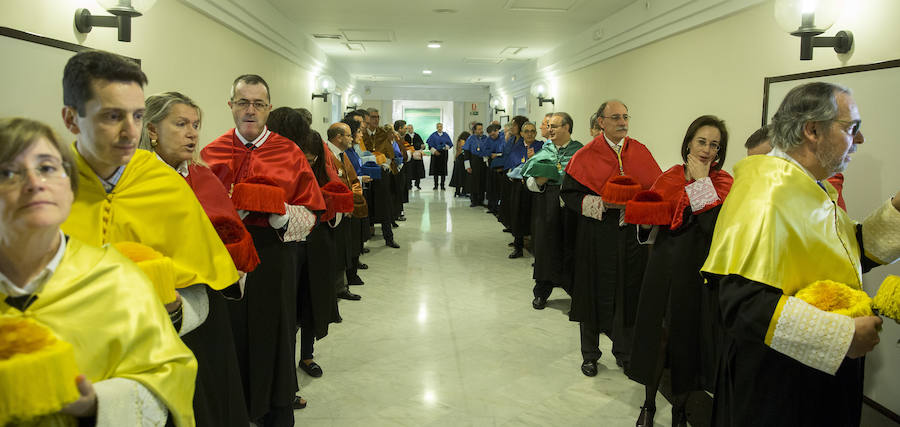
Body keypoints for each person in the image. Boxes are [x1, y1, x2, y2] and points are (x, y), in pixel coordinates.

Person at [701, 82, 900, 427]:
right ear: (812, 130)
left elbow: (841, 251)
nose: (861, 140)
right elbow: (742, 304)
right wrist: (842, 336)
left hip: (809, 380)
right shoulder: (765, 194)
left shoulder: (807, 184)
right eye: (852, 128)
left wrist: (897, 209)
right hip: (779, 389)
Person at [0, 117, 197, 426]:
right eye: (8, 172)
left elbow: (169, 378)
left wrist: (96, 403)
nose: (34, 183)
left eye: (48, 168)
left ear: (71, 188)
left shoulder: (118, 278)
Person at [201, 74, 324, 426]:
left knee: (275, 337)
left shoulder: (289, 153)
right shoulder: (212, 152)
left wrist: (279, 215)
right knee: (230, 336)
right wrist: (227, 213)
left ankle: (275, 410)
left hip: (275, 256)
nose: (250, 110)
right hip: (227, 260)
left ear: (268, 108)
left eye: (258, 103)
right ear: (231, 106)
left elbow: (311, 217)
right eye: (243, 102)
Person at [140, 91, 252, 426]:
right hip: (163, 308)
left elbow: (228, 233)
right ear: (152, 130)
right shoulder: (135, 180)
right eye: (181, 124)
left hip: (210, 303)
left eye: (196, 125)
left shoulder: (203, 177)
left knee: (215, 390)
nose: (192, 133)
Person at [626, 115, 732, 427]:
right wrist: (643, 219)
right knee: (657, 334)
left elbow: (712, 225)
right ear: (688, 143)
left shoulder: (723, 181)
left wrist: (701, 181)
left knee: (687, 338)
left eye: (715, 145)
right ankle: (648, 404)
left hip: (697, 267)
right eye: (702, 141)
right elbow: (651, 221)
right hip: (663, 262)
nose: (707, 149)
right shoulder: (669, 177)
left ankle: (679, 409)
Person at [560, 100, 662, 376]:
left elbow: (655, 188)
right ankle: (590, 354)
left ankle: (625, 350)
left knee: (629, 292)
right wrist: (604, 204)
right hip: (597, 235)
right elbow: (569, 196)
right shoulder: (584, 155)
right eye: (615, 117)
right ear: (601, 122)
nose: (622, 122)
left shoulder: (640, 151)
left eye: (625, 116)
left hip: (631, 236)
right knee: (592, 291)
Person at [522, 112, 584, 311]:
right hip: (547, 207)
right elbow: (529, 182)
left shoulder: (581, 152)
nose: (549, 130)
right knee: (546, 247)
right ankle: (542, 291)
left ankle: (577, 292)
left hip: (573, 208)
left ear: (567, 128)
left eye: (554, 126)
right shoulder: (543, 150)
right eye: (549, 126)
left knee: (572, 248)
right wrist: (539, 182)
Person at [746, 124, 848, 211]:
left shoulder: (826, 185)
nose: (759, 170)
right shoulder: (752, 193)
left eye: (766, 162)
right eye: (753, 165)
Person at [361, 108, 400, 248]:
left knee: (384, 205)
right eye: (373, 117)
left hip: (381, 174)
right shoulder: (361, 134)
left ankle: (388, 238)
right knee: (366, 204)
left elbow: (390, 154)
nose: (376, 120)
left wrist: (386, 163)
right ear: (367, 119)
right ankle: (365, 238)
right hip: (364, 173)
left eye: (378, 117)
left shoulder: (383, 134)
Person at [505, 120, 543, 258]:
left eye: (533, 131)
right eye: (526, 131)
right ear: (521, 133)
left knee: (535, 216)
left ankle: (535, 248)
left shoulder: (541, 146)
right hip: (519, 187)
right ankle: (518, 246)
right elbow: (513, 164)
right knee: (518, 214)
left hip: (535, 187)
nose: (530, 134)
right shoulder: (517, 147)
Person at [464, 122, 489, 208]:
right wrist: (467, 166)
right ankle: (474, 200)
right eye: (479, 129)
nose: (481, 131)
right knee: (473, 182)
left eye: (481, 129)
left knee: (482, 181)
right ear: (474, 130)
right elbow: (466, 153)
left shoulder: (485, 138)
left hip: (484, 161)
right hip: (474, 161)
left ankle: (481, 200)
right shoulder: (471, 139)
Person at [484, 123, 505, 215]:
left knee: (498, 188)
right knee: (491, 187)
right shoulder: (488, 140)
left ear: (497, 131)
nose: (492, 137)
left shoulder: (503, 138)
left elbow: (504, 151)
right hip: (491, 165)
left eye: (493, 134)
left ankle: (498, 207)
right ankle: (491, 206)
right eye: (490, 135)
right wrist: (490, 154)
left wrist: (496, 154)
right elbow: (485, 150)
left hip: (500, 166)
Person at [426, 122, 453, 190]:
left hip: (444, 154)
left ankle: (442, 185)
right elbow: (429, 145)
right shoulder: (433, 135)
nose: (439, 127)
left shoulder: (446, 135)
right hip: (435, 154)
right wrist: (434, 151)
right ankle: (435, 185)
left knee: (443, 170)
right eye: (438, 126)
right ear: (436, 127)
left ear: (442, 127)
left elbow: (450, 145)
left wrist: (446, 147)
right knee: (435, 170)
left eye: (440, 126)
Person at [448, 131, 470, 197]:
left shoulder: (459, 141)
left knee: (458, 176)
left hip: (458, 159)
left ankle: (458, 192)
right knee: (462, 176)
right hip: (462, 159)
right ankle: (463, 191)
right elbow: (461, 150)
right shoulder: (463, 141)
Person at [404, 124, 426, 189]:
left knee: (418, 170)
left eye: (411, 128)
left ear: (413, 128)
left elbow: (422, 144)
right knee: (409, 170)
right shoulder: (405, 136)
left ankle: (417, 184)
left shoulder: (417, 135)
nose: (410, 129)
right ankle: (409, 185)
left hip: (417, 155)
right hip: (410, 156)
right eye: (408, 128)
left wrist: (422, 146)